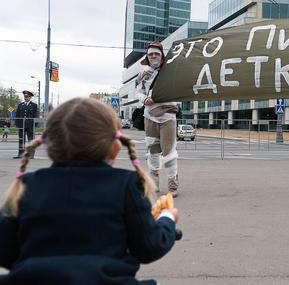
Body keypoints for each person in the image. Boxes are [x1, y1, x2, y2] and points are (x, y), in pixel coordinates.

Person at [0, 98, 179, 284]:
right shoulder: (126, 185)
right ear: (115, 147)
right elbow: (149, 247)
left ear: (48, 145)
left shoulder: (27, 185)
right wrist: (167, 219)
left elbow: (5, 251)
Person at [136, 41, 180, 196]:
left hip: (168, 116)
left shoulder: (170, 71)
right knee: (152, 151)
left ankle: (173, 185)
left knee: (169, 152)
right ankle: (153, 183)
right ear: (147, 56)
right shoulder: (143, 73)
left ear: (161, 56)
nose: (153, 56)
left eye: (156, 53)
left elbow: (178, 89)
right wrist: (144, 99)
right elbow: (139, 92)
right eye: (150, 54)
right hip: (149, 116)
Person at [13, 90, 38, 159]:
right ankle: (20, 154)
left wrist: (34, 125)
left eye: (27, 97)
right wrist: (17, 124)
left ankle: (31, 154)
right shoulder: (20, 105)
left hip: (30, 125)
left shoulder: (34, 105)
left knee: (31, 140)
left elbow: (35, 115)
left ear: (30, 97)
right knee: (21, 139)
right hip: (21, 125)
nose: (26, 98)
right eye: (25, 96)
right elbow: (17, 115)